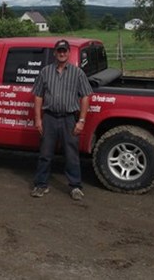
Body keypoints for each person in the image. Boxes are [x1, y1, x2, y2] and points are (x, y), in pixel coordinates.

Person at [30, 39, 93, 200]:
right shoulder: (45, 72)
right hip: (50, 117)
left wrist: (81, 120)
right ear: (54, 53)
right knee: (45, 154)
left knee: (71, 155)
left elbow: (85, 96)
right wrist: (38, 119)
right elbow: (38, 96)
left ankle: (75, 187)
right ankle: (41, 185)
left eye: (65, 51)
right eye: (59, 51)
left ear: (69, 53)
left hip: (69, 119)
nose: (62, 53)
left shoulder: (77, 73)